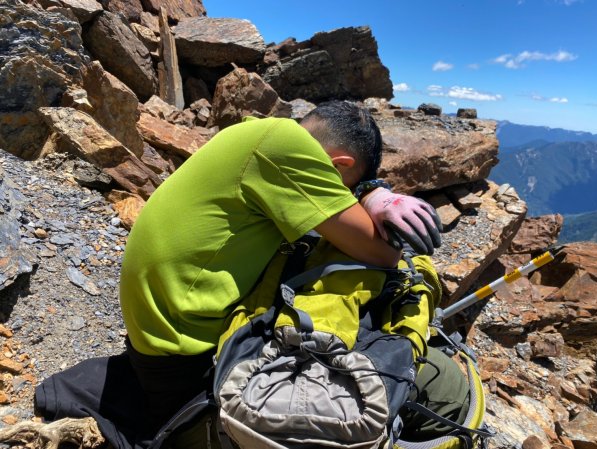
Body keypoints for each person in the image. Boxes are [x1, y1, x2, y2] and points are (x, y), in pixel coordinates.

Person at [118, 100, 442, 435]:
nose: (341, 197)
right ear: (339, 164)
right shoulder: (290, 151)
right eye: (341, 187)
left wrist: (367, 191)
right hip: (182, 350)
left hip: (155, 326)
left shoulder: (255, 132)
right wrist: (373, 196)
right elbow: (382, 254)